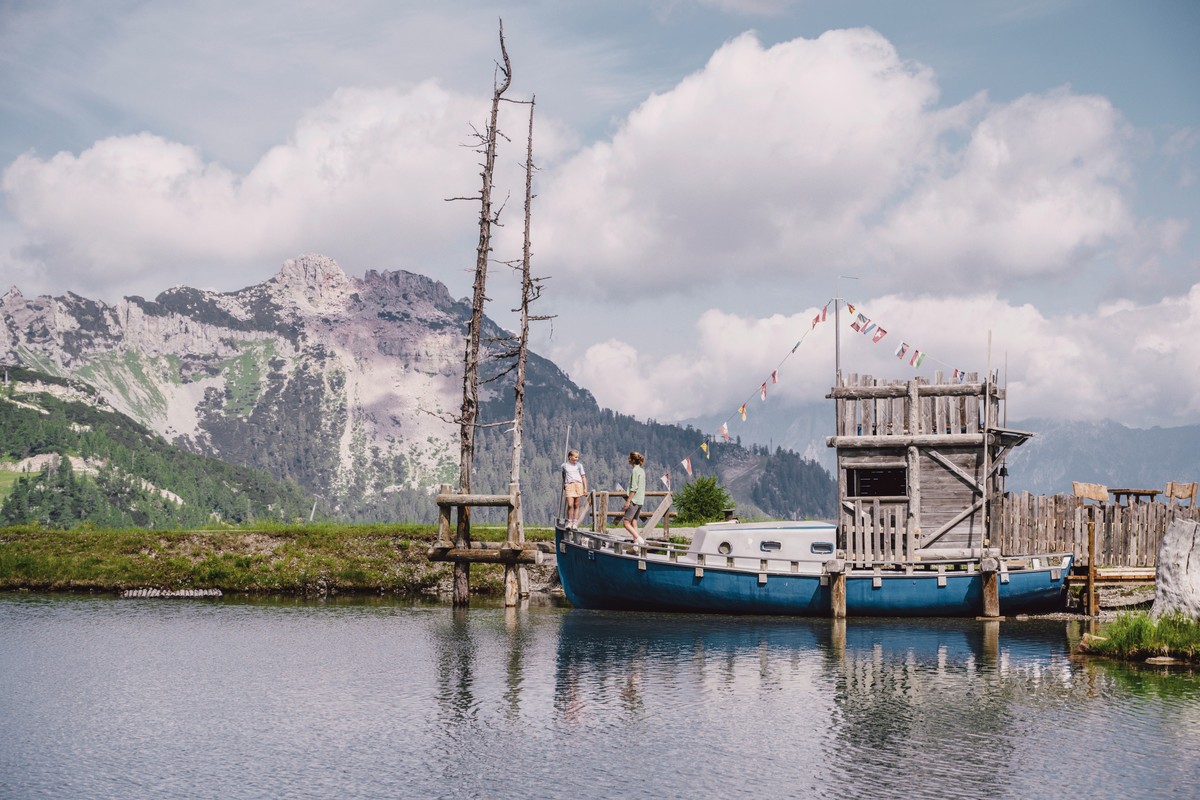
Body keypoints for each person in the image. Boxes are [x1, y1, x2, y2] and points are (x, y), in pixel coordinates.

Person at [622, 451, 646, 544]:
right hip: (640, 500)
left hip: (634, 500)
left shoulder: (635, 471)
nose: (628, 460)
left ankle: (639, 540)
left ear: (632, 460)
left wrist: (628, 501)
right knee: (634, 522)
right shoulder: (641, 470)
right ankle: (635, 545)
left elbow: (634, 488)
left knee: (626, 523)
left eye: (629, 458)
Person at [561, 449, 587, 527]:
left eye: (577, 457)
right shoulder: (564, 466)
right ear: (570, 457)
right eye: (575, 457)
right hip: (569, 485)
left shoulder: (579, 466)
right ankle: (569, 521)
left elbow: (583, 477)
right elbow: (563, 475)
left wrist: (585, 488)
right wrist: (565, 484)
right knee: (570, 504)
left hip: (578, 484)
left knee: (576, 504)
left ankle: (575, 522)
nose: (577, 459)